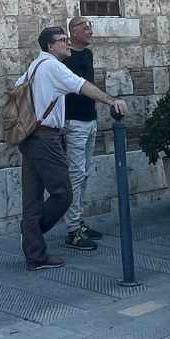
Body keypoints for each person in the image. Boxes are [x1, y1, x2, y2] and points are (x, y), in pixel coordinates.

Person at [17, 24, 127, 271]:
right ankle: (31, 233)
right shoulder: (53, 66)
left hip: (30, 137)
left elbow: (17, 88)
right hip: (46, 138)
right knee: (63, 193)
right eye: (62, 40)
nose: (67, 43)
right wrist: (111, 100)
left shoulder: (35, 66)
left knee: (32, 198)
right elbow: (82, 85)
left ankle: (35, 255)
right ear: (50, 46)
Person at [60, 15, 106, 251]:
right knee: (75, 175)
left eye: (90, 26)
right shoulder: (64, 57)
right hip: (74, 123)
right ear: (73, 31)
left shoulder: (87, 54)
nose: (90, 31)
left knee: (84, 173)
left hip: (90, 120)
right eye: (85, 27)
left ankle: (78, 222)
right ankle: (72, 230)